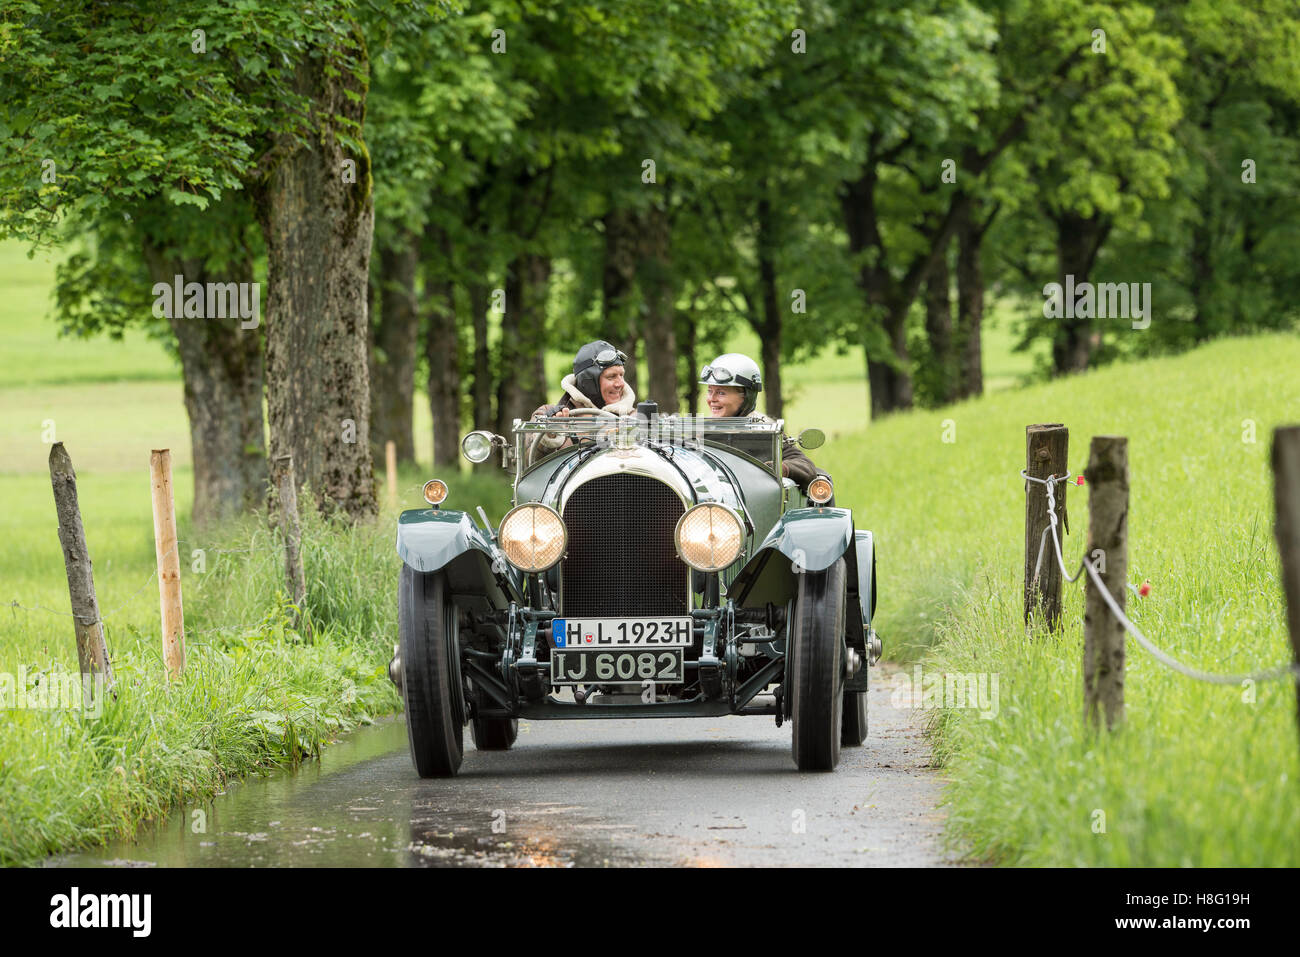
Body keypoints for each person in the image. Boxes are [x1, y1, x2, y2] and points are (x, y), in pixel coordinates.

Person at [699, 352, 822, 494]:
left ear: (746, 396)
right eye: (709, 391)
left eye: (721, 393)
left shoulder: (764, 430)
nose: (711, 399)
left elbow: (805, 466)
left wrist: (780, 468)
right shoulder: (700, 432)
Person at [528, 340, 637, 461]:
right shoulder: (547, 414)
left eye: (621, 375)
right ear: (588, 382)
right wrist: (548, 436)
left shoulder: (635, 417)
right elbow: (528, 462)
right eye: (611, 377)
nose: (620, 384)